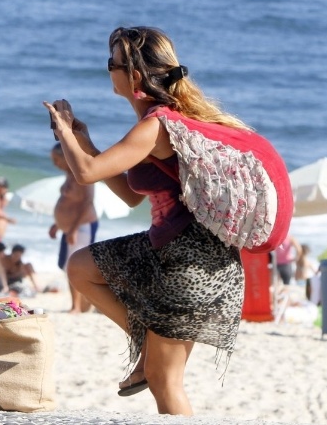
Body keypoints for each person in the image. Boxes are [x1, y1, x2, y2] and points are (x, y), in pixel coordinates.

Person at [45, 26, 246, 416]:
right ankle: (144, 339)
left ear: (134, 76)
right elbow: (130, 194)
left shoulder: (156, 126)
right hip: (186, 254)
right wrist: (85, 144)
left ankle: (145, 345)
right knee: (81, 267)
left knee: (165, 382)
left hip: (189, 262)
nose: (109, 71)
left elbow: (85, 173)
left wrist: (65, 132)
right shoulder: (163, 122)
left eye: (111, 64)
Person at [48, 142, 99, 313]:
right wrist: (58, 224)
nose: (55, 164)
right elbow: (70, 202)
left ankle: (77, 306)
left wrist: (74, 229)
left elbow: (87, 203)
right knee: (67, 265)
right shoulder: (70, 174)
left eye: (56, 159)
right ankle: (79, 304)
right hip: (70, 228)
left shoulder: (81, 174)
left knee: (75, 265)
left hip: (82, 226)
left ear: (65, 157)